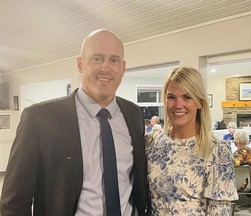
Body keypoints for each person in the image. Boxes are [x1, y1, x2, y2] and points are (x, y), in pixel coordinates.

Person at [0, 29, 149, 216]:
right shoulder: (40, 119)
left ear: (123, 67)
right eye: (97, 58)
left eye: (114, 60)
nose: (106, 67)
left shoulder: (133, 115)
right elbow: (14, 203)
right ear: (80, 64)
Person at [145, 67, 238, 215]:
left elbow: (219, 211)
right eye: (171, 97)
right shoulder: (152, 143)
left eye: (187, 97)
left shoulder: (217, 150)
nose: (178, 105)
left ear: (200, 102)